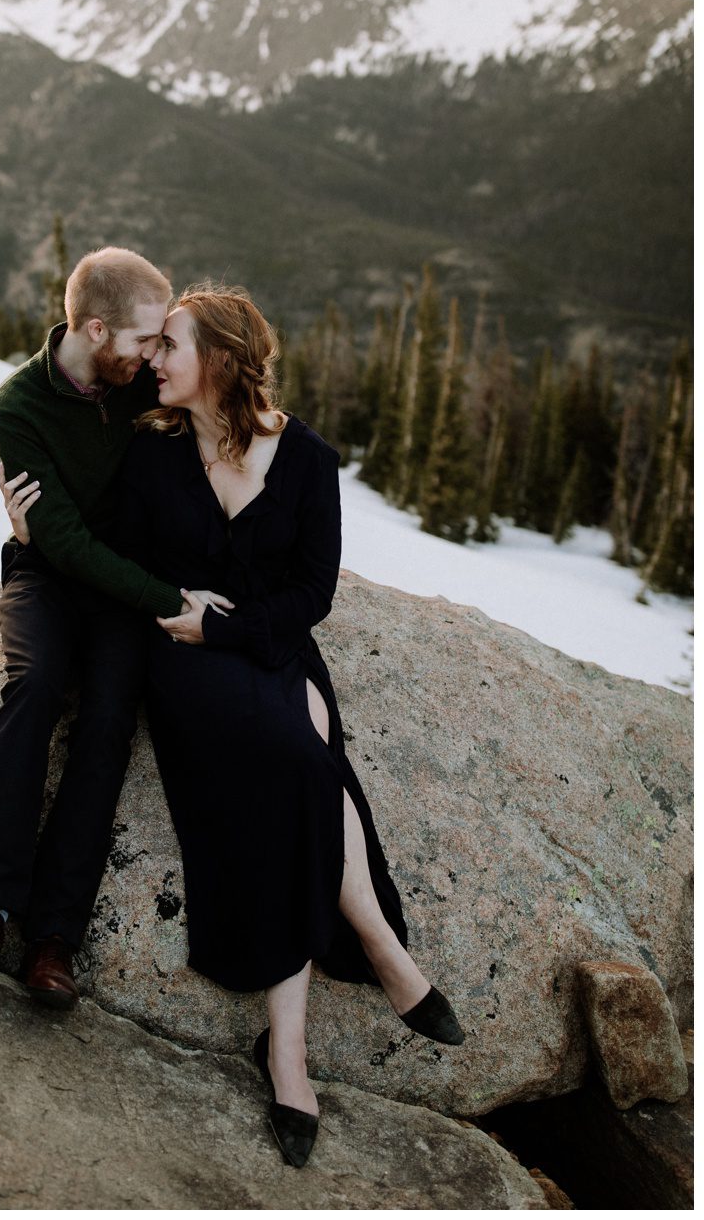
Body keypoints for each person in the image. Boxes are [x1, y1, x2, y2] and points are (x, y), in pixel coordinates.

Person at [111, 284, 463, 1166]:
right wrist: (34, 537)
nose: (153, 360)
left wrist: (230, 625)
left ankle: (289, 1047)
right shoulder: (152, 452)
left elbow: (314, 593)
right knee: (300, 764)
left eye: (170, 347)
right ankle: (378, 952)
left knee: (306, 761)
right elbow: (112, 554)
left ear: (222, 360)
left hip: (263, 645)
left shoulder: (307, 459)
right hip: (185, 662)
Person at [0, 246, 209, 1007]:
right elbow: (60, 541)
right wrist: (166, 597)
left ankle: (55, 938)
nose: (156, 355)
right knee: (34, 687)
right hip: (48, 576)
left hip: (119, 588)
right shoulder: (16, 409)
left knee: (110, 718)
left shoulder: (142, 384)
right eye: (145, 340)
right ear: (95, 329)